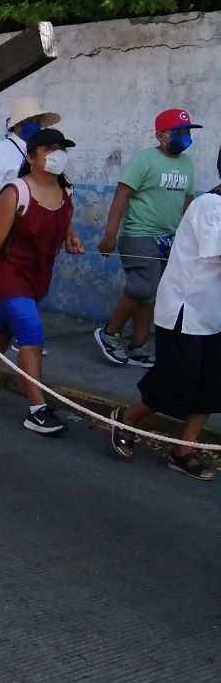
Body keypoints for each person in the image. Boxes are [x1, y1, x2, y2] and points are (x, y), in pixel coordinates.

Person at [0, 128, 84, 435]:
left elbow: (63, 217)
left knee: (5, 328)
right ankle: (37, 410)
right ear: (32, 157)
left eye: (62, 148)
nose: (57, 154)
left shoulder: (66, 190)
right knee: (31, 333)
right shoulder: (15, 192)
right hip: (8, 274)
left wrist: (71, 235)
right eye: (49, 149)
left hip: (38, 276)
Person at [110, 185, 221, 479]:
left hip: (213, 314)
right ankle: (127, 417)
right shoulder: (210, 205)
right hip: (185, 310)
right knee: (177, 380)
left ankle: (183, 450)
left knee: (211, 385)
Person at [94, 107, 198, 368]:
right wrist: (110, 235)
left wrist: (193, 236)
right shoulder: (144, 161)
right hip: (139, 234)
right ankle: (109, 333)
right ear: (160, 135)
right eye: (177, 131)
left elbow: (188, 201)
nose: (183, 136)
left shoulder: (186, 164)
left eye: (186, 131)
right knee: (142, 288)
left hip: (169, 238)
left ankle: (137, 346)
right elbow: (121, 196)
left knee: (155, 293)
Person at [0, 97, 61, 199]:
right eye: (30, 120)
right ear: (17, 124)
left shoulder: (43, 149)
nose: (34, 124)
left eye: (37, 120)